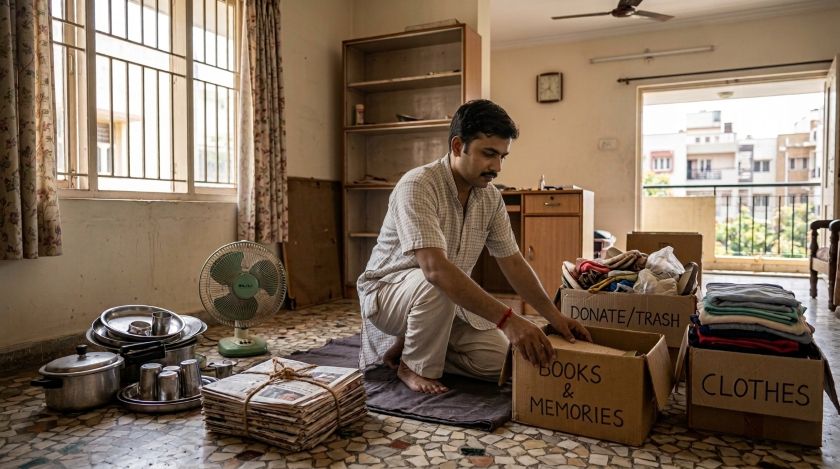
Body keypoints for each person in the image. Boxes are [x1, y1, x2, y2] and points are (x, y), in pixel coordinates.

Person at [357, 99, 591, 394]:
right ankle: (413, 366)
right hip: (388, 294)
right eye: (489, 154)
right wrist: (509, 321)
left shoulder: (489, 198)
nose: (497, 167)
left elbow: (514, 262)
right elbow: (435, 270)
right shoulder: (417, 185)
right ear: (458, 146)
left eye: (502, 156)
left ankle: (414, 347)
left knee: (502, 363)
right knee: (438, 282)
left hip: (443, 301)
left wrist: (555, 317)